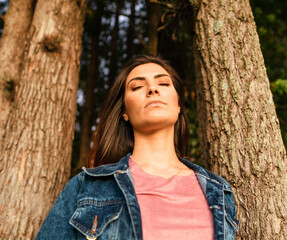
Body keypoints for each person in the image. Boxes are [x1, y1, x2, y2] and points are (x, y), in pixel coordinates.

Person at [35, 55, 239, 240]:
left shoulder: (219, 191)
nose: (152, 89)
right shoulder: (86, 187)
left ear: (178, 106)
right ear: (124, 112)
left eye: (163, 83)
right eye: (137, 87)